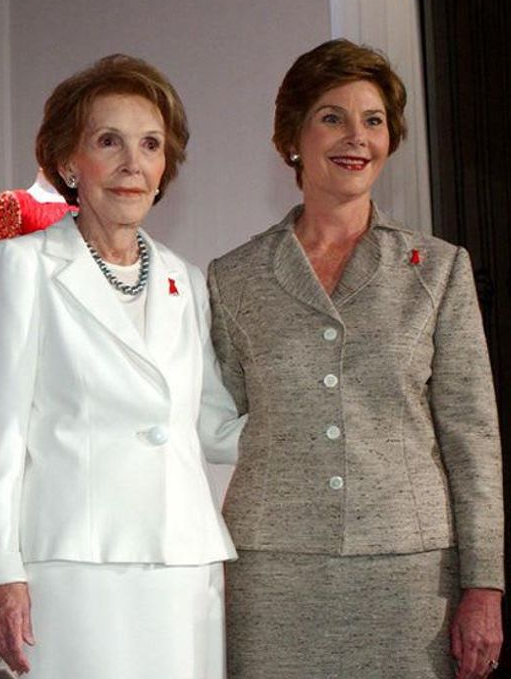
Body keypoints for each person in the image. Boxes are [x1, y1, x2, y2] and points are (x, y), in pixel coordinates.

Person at [208, 39, 504, 679]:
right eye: (331, 117)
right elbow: (219, 418)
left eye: (373, 121)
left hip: (412, 577)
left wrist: (485, 584)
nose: (356, 138)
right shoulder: (233, 278)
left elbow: (472, 435)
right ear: (293, 136)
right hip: (273, 572)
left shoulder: (439, 270)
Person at [0, 54, 245, 678]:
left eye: (149, 145)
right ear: (67, 161)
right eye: (108, 141)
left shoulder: (185, 279)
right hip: (75, 566)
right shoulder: (23, 265)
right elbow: (1, 432)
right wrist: (2, 571)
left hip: (184, 561)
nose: (131, 165)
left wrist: (329, 414)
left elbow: (214, 427)